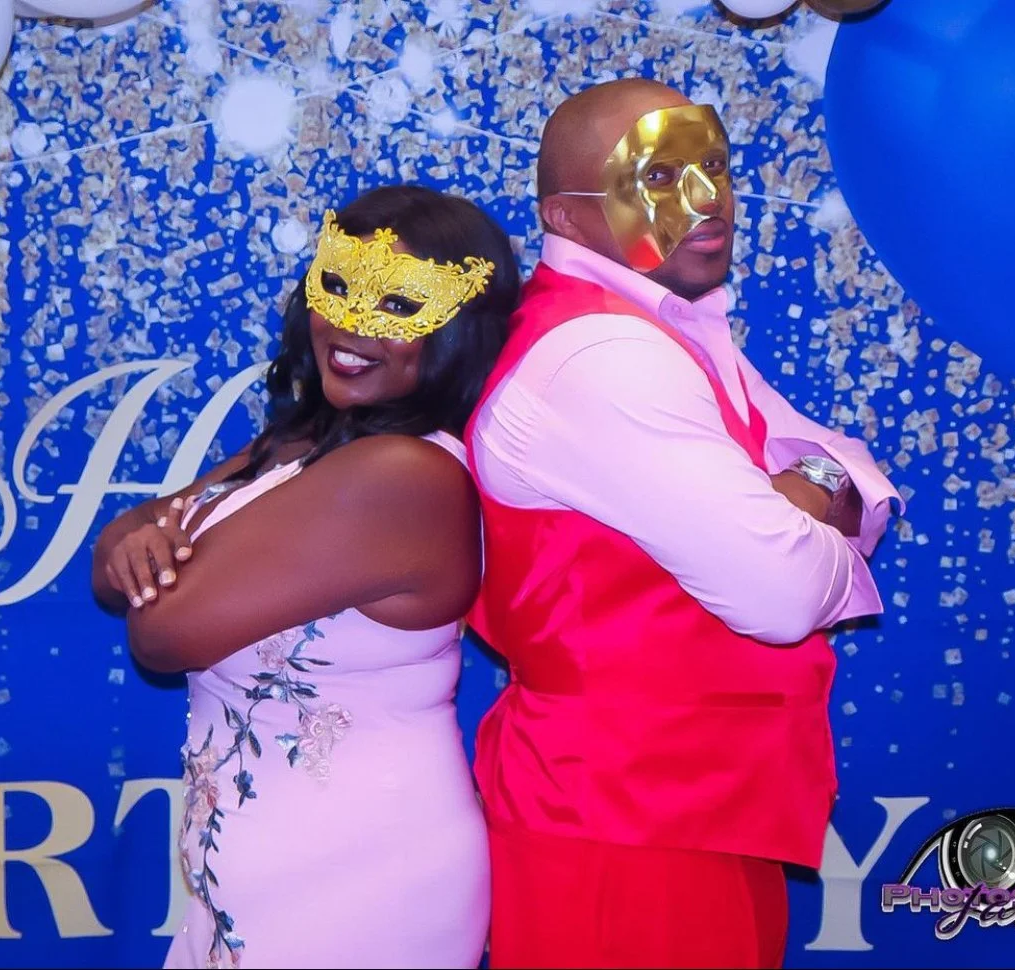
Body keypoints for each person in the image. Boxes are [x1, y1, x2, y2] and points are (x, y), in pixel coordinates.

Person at [465, 78, 904, 969]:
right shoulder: (604, 356)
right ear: (568, 218)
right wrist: (797, 496)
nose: (706, 201)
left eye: (713, 166)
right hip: (622, 825)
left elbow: (852, 469)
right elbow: (781, 591)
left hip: (689, 805)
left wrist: (805, 484)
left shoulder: (658, 323)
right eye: (658, 178)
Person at [90, 184, 520, 970]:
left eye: (397, 303)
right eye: (338, 286)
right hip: (248, 872)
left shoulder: (397, 473)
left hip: (355, 877)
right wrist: (131, 539)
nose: (352, 326)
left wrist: (155, 551)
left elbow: (161, 630)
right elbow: (122, 555)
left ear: (457, 332)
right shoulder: (305, 441)